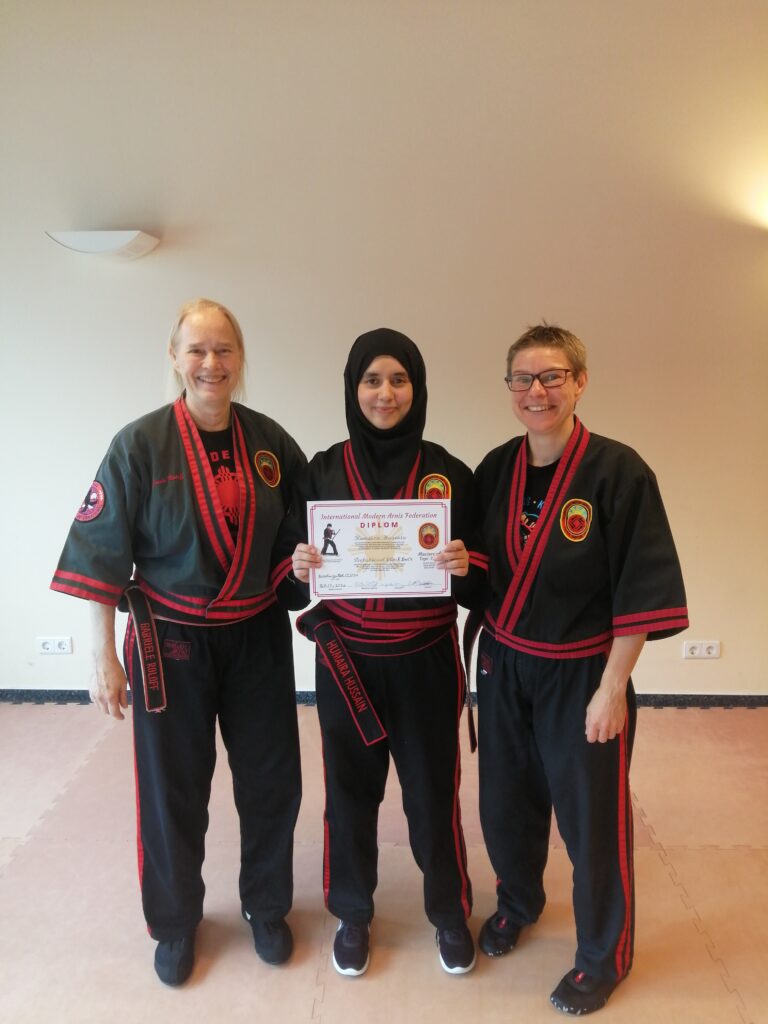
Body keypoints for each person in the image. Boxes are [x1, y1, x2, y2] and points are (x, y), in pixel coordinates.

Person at [51, 299, 306, 987]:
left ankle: (266, 905)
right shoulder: (140, 445)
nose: (211, 364)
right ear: (174, 357)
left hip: (255, 635)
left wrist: (310, 565)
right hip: (170, 641)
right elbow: (101, 553)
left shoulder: (272, 444)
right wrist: (103, 653)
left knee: (272, 780)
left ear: (240, 358)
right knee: (173, 791)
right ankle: (174, 923)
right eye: (197, 350)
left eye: (223, 350)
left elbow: (298, 542)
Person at [469, 324, 688, 1015]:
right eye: (524, 379)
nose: (537, 391)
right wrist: (448, 562)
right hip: (505, 665)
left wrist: (612, 689)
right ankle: (518, 902)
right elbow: (480, 565)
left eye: (552, 377)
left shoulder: (619, 472)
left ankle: (603, 954)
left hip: (581, 672)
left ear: (580, 382)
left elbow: (641, 590)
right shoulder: (496, 468)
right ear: (508, 389)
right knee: (506, 805)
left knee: (591, 821)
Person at [276, 328, 475, 977]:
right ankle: (353, 913)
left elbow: (487, 578)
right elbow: (284, 578)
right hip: (347, 661)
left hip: (426, 663)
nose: (385, 393)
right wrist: (301, 567)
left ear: (417, 389)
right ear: (351, 389)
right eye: (371, 380)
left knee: (431, 796)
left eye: (398, 380)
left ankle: (448, 912)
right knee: (349, 794)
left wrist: (464, 563)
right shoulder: (321, 470)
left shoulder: (448, 472)